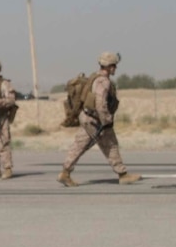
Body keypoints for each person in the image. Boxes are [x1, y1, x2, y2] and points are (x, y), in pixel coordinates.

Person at [58, 52, 142, 186]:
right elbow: (100, 102)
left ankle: (65, 172)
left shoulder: (94, 78)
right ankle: (123, 174)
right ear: (109, 66)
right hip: (95, 120)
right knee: (110, 145)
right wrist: (106, 120)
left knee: (79, 146)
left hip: (87, 117)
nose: (115, 68)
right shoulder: (103, 81)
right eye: (114, 65)